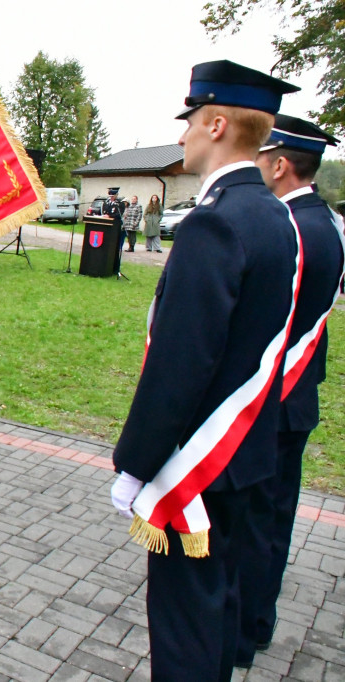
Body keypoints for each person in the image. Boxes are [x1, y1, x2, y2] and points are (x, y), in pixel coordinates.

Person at [108, 60, 300, 682]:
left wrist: (135, 462)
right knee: (217, 609)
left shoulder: (214, 221)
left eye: (190, 119)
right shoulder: (277, 217)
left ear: (216, 124)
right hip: (247, 453)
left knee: (185, 620)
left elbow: (181, 361)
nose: (184, 133)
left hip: (200, 464)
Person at [236, 115, 344, 668]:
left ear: (279, 165)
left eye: (261, 157)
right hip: (296, 398)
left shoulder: (294, 230)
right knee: (272, 519)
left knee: (255, 522)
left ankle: (243, 629)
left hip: (274, 398)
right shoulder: (323, 221)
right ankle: (257, 621)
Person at [102, 187, 125, 272]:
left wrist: (110, 216)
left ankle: (114, 268)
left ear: (116, 195)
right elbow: (104, 212)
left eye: (113, 196)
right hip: (105, 226)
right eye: (110, 195)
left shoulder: (120, 204)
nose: (111, 197)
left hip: (115, 228)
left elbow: (119, 215)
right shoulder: (106, 202)